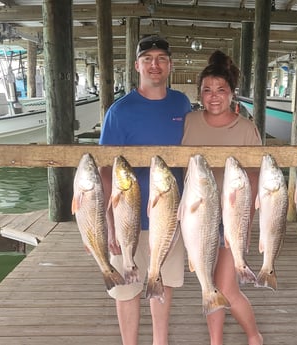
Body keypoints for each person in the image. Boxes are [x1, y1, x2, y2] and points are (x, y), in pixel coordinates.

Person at [98, 35, 192, 345]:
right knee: (126, 288)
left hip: (169, 214)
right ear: (137, 65)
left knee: (162, 284)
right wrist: (109, 225)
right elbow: (104, 169)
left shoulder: (181, 103)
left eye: (161, 58)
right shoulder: (119, 111)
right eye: (148, 58)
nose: (155, 64)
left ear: (170, 65)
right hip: (128, 216)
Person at [181, 50, 263, 345]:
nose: (213, 97)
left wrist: (245, 225)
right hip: (199, 216)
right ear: (199, 93)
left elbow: (254, 178)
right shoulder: (189, 121)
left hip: (231, 219)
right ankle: (216, 342)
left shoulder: (245, 128)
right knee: (210, 285)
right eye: (207, 90)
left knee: (227, 287)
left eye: (221, 90)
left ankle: (254, 337)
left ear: (231, 94)